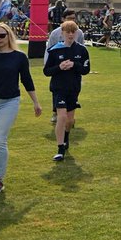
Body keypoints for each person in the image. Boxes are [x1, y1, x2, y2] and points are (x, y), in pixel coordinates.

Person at [0, 22, 42, 194]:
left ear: (9, 35)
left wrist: (36, 102)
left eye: (2, 35)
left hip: (9, 102)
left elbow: (26, 80)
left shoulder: (19, 56)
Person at [43, 20, 91, 161]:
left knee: (69, 120)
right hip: (58, 88)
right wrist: (59, 67)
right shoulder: (54, 50)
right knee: (62, 116)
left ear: (76, 33)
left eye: (73, 32)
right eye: (67, 32)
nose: (70, 35)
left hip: (74, 88)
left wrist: (74, 64)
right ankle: (60, 148)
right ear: (62, 33)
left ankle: (66, 136)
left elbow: (86, 69)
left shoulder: (82, 50)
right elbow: (46, 71)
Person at [44, 10, 85, 124]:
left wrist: (77, 64)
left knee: (73, 89)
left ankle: (70, 112)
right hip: (58, 67)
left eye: (73, 18)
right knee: (57, 90)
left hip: (73, 71)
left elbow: (81, 48)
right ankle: (56, 112)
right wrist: (51, 65)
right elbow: (50, 49)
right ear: (63, 19)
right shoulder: (55, 33)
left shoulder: (80, 33)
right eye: (69, 18)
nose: (72, 20)